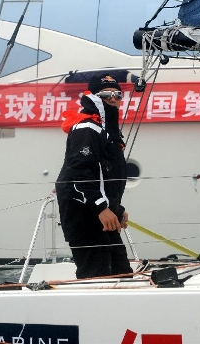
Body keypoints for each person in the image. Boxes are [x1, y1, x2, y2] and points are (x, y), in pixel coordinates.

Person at [55, 73, 133, 279]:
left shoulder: (107, 131)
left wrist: (116, 208)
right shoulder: (86, 128)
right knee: (95, 276)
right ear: (95, 96)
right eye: (107, 94)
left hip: (103, 215)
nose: (114, 99)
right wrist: (101, 207)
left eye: (118, 94)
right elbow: (78, 172)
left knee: (122, 274)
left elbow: (106, 176)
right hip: (86, 216)